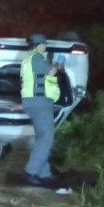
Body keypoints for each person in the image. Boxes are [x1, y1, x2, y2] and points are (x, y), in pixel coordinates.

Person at [20, 33, 62, 187]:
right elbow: (50, 71)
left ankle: (44, 173)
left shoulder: (27, 59)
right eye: (44, 44)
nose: (45, 47)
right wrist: (58, 65)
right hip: (40, 103)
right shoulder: (37, 58)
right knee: (47, 138)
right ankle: (30, 172)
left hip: (32, 103)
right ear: (38, 45)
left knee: (42, 137)